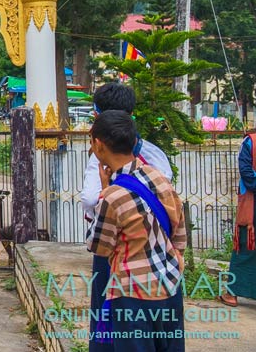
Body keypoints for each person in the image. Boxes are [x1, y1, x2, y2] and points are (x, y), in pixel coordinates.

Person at [79, 83, 174, 352]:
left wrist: (106, 193)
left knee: (113, 330)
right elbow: (177, 229)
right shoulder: (155, 157)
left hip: (120, 261)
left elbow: (93, 216)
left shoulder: (103, 161)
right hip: (162, 261)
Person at [220, 109, 256, 307]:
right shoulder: (252, 141)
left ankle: (232, 293)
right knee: (248, 245)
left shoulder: (250, 142)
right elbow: (246, 171)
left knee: (245, 247)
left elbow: (246, 171)